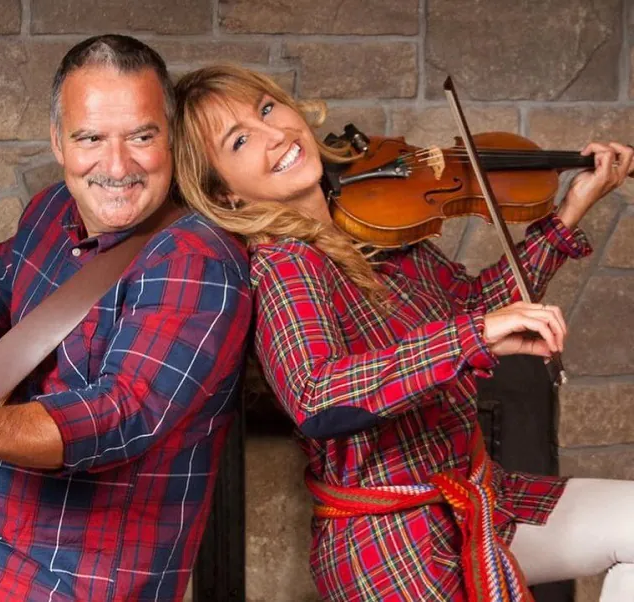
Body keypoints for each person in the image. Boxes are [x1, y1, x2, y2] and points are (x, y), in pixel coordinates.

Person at [171, 63, 634, 601]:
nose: (276, 134)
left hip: (480, 498)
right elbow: (316, 394)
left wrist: (570, 211)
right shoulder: (285, 264)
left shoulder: (374, 224)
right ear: (225, 194)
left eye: (268, 108)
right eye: (241, 140)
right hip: (392, 541)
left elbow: (474, 307)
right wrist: (472, 336)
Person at [0, 37, 251, 602]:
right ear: (59, 141)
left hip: (71, 579)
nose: (117, 166)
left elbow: (122, 413)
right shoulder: (53, 209)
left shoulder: (197, 261)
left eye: (141, 137)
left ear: (171, 139)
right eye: (90, 138)